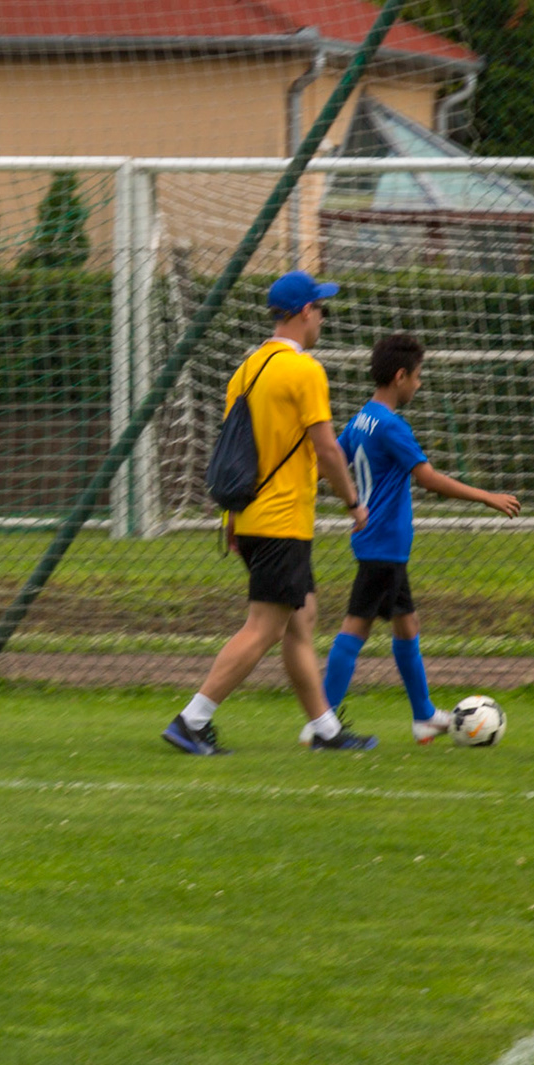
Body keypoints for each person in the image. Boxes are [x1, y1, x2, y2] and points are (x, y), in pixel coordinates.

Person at [161, 271, 372, 756]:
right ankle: (192, 720)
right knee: (265, 627)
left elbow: (236, 451)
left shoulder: (247, 369)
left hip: (248, 518)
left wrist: (231, 518)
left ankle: (326, 730)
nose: (322, 318)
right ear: (304, 312)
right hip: (282, 520)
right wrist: (354, 503)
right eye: (320, 309)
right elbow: (327, 449)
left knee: (301, 618)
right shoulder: (304, 370)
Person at [322, 333, 522, 744]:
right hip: (383, 543)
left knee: (407, 624)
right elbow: (427, 478)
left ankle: (424, 716)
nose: (420, 383)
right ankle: (321, 722)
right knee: (355, 628)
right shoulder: (392, 426)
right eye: (417, 376)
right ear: (400, 376)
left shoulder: (361, 419)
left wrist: (353, 502)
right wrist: (486, 497)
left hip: (381, 543)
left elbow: (333, 461)